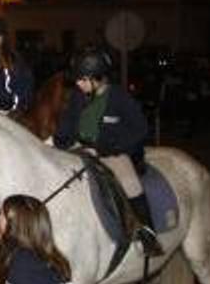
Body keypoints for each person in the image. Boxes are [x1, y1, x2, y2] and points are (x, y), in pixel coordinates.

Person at [54, 46, 160, 256]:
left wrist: (111, 147)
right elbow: (68, 122)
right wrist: (60, 138)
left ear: (98, 79)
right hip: (79, 148)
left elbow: (140, 129)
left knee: (129, 180)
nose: (78, 84)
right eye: (78, 79)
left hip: (112, 152)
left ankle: (148, 232)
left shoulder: (120, 98)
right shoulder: (78, 96)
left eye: (82, 80)